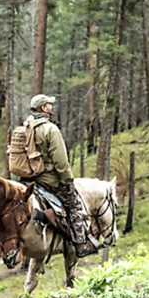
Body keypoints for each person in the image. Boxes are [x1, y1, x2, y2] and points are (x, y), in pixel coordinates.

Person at [24, 94, 99, 258]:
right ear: (44, 108)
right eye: (49, 104)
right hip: (48, 179)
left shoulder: (26, 127)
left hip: (30, 178)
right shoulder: (50, 129)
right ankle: (81, 244)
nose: (51, 105)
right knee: (74, 206)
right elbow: (61, 161)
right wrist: (67, 180)